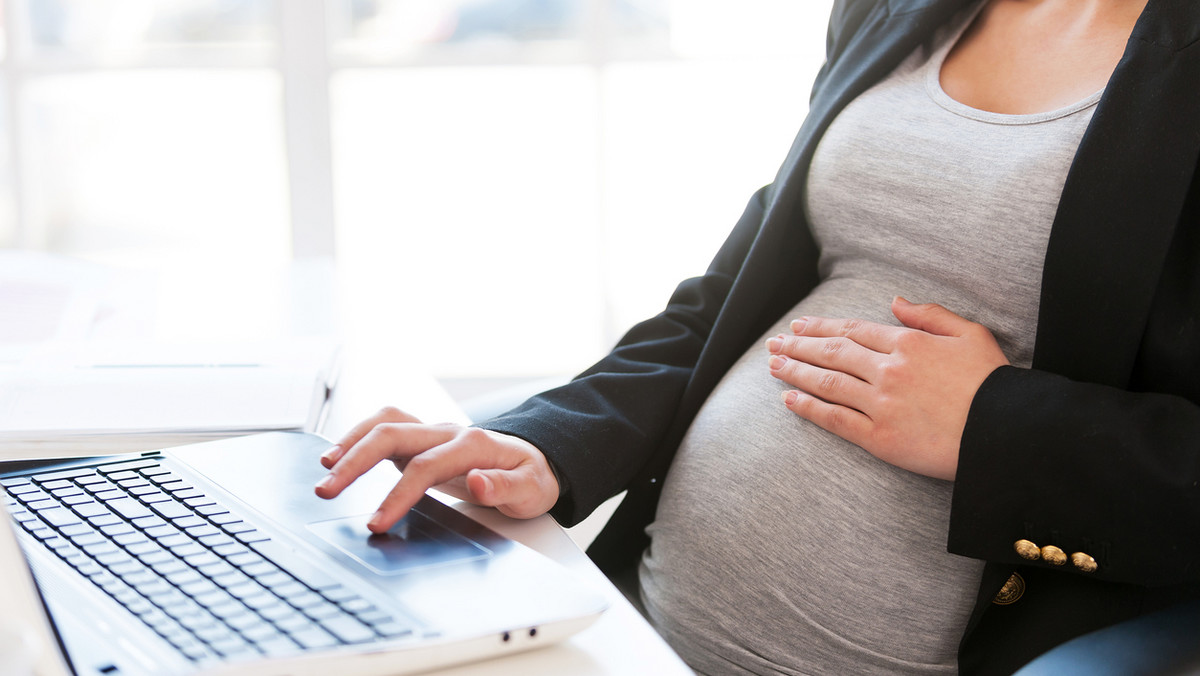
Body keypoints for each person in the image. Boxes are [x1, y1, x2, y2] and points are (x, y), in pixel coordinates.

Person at [314, 0, 1200, 673]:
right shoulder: (904, 10)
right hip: (635, 629)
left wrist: (995, 427)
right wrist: (545, 440)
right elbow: (730, 301)